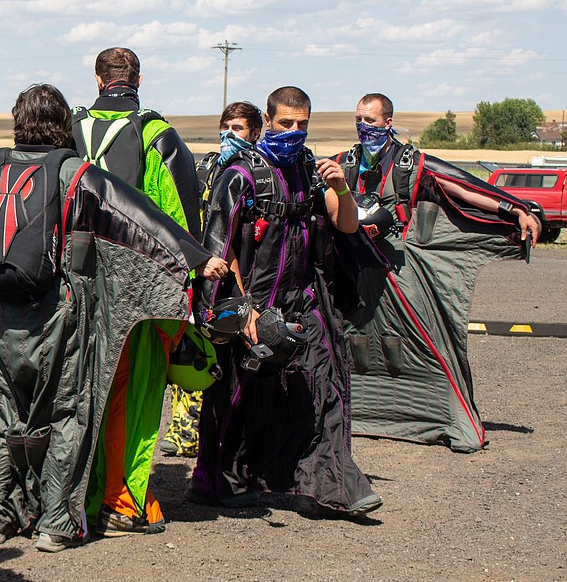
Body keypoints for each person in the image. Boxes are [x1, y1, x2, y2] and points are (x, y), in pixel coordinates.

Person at [0, 84, 227, 552]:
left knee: (0, 413)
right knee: (66, 411)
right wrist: (194, 257)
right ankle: (56, 522)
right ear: (63, 124)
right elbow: (138, 219)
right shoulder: (74, 173)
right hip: (57, 313)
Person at [191, 86, 383, 520]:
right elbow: (223, 247)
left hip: (306, 299)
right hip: (254, 301)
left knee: (325, 387)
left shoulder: (311, 169)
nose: (294, 133)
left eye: (302, 125)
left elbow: (346, 225)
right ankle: (220, 481)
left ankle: (333, 486)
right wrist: (244, 310)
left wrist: (342, 187)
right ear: (268, 120)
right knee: (238, 397)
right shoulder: (240, 174)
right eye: (285, 124)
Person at [335, 93, 538, 452]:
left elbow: (465, 187)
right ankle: (344, 413)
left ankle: (448, 418)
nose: (363, 127)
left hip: (401, 273)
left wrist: (516, 208)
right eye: (358, 120)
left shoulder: (412, 163)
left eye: (370, 121)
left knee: (430, 342)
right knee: (348, 341)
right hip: (355, 268)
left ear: (388, 122)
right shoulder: (344, 163)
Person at [70, 47, 204, 536]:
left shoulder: (68, 129)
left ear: (98, 79)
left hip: (73, 286)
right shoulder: (155, 135)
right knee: (132, 390)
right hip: (136, 291)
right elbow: (179, 219)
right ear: (139, 79)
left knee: (78, 388)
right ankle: (123, 499)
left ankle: (69, 495)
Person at [160, 101, 264, 459]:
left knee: (222, 358)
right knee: (191, 350)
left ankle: (208, 437)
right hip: (197, 273)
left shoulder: (255, 173)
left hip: (234, 275)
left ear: (255, 133)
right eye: (226, 127)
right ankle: (182, 433)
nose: (229, 135)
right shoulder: (208, 167)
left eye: (238, 129)